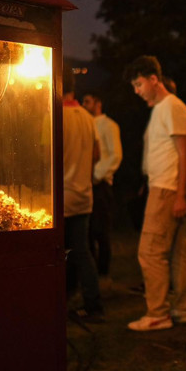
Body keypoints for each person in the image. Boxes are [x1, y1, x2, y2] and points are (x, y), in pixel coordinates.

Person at [124, 55, 186, 331]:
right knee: (178, 250)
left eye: (139, 84)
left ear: (154, 79)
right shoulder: (163, 108)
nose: (137, 90)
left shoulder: (172, 107)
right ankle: (184, 308)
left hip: (167, 189)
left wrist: (179, 195)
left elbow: (184, 153)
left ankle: (158, 313)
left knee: (150, 251)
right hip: (165, 187)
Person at [62, 69, 104, 323]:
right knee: (82, 251)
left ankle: (63, 299)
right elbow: (97, 154)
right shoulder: (88, 118)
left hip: (62, 197)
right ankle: (93, 303)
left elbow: (45, 155)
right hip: (84, 195)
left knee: (62, 252)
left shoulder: (55, 116)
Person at [82, 93, 123, 290]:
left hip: (101, 184)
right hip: (87, 184)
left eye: (88, 101)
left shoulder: (109, 125)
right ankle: (92, 273)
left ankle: (104, 272)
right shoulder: (86, 124)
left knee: (101, 231)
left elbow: (115, 155)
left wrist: (97, 175)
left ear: (98, 103)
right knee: (88, 230)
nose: (84, 105)